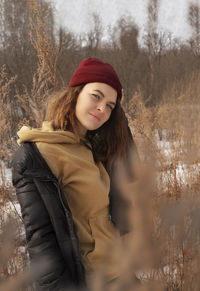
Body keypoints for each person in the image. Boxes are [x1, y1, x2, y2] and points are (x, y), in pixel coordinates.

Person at [12, 58, 138, 290]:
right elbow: (41, 241)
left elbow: (131, 170)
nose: (102, 108)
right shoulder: (38, 155)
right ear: (75, 94)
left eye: (110, 105)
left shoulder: (93, 146)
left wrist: (121, 117)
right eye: (96, 96)